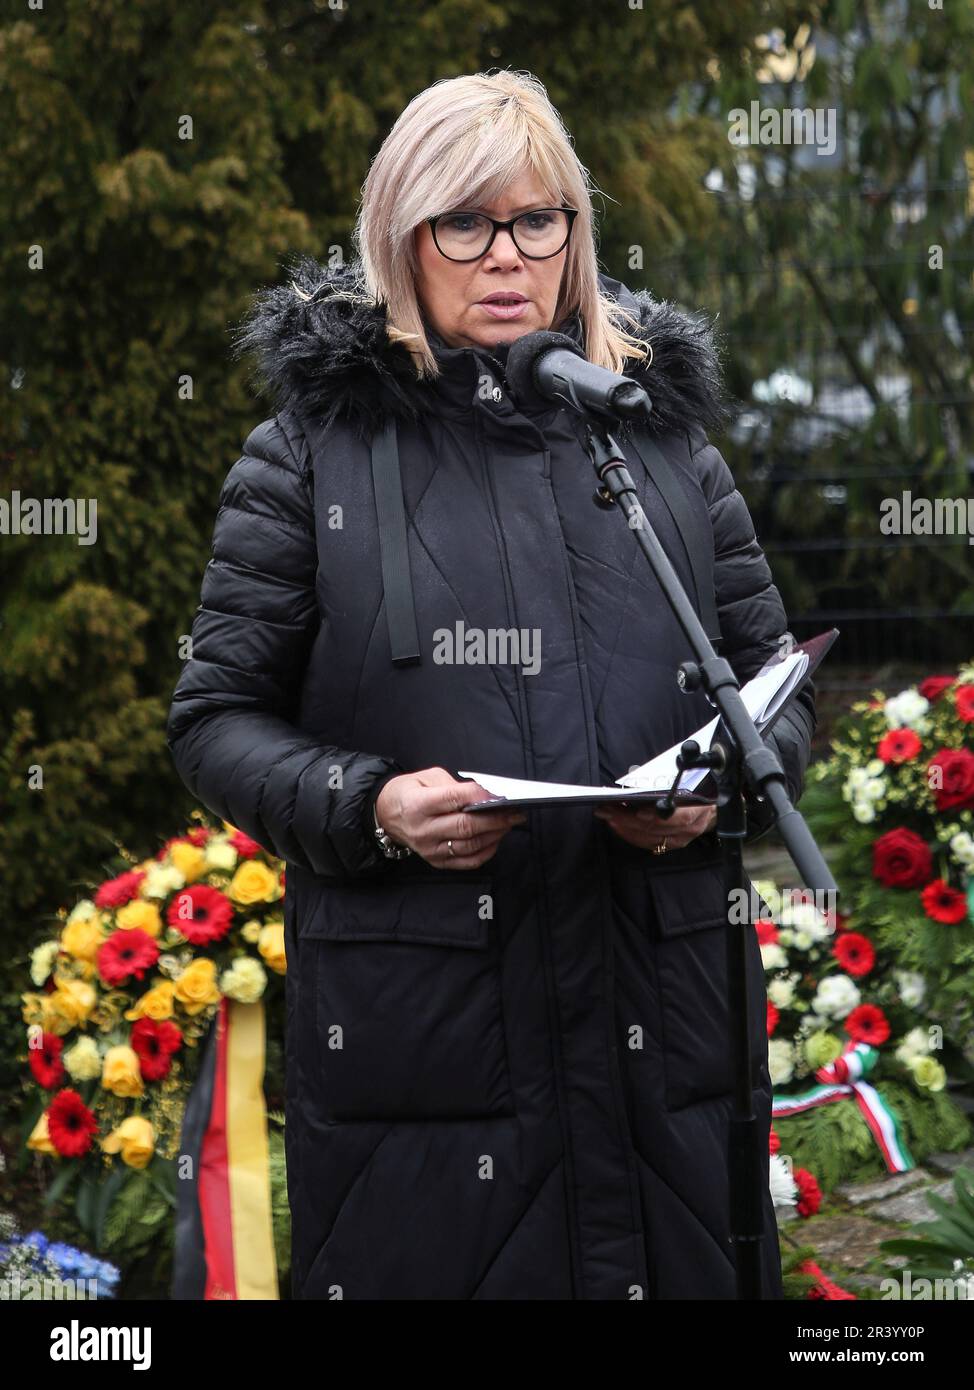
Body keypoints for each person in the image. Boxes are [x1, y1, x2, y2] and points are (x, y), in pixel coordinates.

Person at [166, 68, 815, 1300]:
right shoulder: (308, 457)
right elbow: (214, 722)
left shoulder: (662, 444)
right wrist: (369, 804)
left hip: (662, 1042)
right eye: (462, 223)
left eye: (536, 219)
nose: (504, 255)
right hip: (433, 1055)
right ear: (401, 238)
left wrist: (712, 789)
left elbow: (774, 691)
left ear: (575, 230)